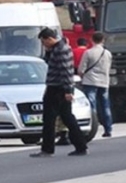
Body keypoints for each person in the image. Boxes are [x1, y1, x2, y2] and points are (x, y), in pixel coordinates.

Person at [30, 28, 88, 157]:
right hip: (55, 86)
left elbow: (66, 71)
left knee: (50, 119)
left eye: (44, 42)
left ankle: (48, 148)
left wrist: (68, 90)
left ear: (49, 39)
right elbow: (49, 62)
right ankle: (80, 145)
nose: (44, 45)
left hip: (58, 88)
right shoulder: (58, 49)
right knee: (67, 117)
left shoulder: (61, 50)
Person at [78, 32, 113, 137]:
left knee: (92, 105)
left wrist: (82, 76)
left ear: (91, 39)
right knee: (105, 105)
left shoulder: (88, 53)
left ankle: (93, 127)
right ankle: (108, 129)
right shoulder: (107, 53)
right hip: (104, 81)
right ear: (103, 40)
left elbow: (81, 69)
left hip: (90, 81)